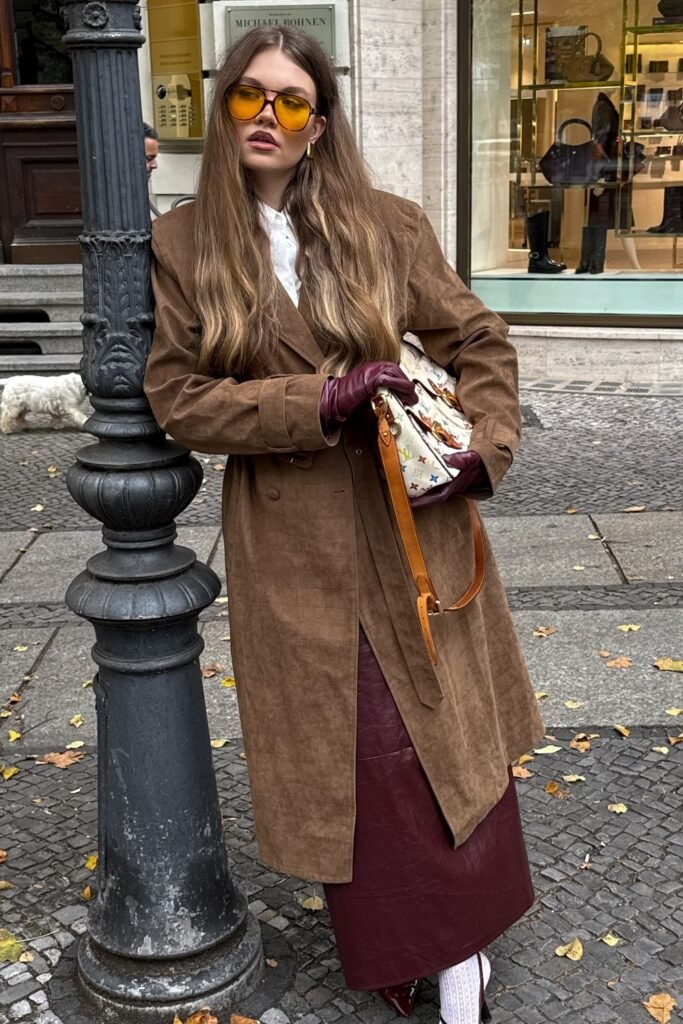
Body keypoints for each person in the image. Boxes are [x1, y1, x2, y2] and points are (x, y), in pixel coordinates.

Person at [143, 26, 544, 1024]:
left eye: (289, 100)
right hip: (293, 543)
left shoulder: (386, 225)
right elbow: (179, 401)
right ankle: (411, 946)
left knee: (444, 736)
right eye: (248, 96)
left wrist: (479, 448)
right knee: (356, 752)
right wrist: (315, 400)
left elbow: (478, 338)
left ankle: (459, 963)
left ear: (318, 122)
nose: (267, 117)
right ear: (225, 106)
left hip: (411, 517)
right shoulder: (182, 242)